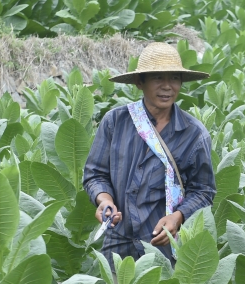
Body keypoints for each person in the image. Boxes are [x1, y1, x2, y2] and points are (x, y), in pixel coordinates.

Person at [83, 42, 216, 267]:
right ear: (139, 82)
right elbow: (95, 174)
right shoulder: (115, 122)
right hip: (118, 248)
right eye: (157, 78)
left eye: (174, 78)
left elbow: (203, 191)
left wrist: (178, 217)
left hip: (164, 251)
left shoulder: (194, 134)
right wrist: (104, 200)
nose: (167, 86)